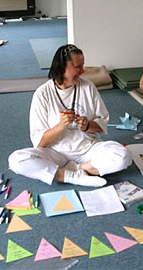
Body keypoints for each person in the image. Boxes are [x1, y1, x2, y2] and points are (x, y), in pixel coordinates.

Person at [8, 44, 132, 187]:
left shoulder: (88, 86)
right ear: (62, 68)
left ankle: (78, 170)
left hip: (88, 148)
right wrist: (61, 126)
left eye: (83, 66)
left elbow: (102, 124)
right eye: (78, 67)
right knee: (16, 160)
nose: (83, 71)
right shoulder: (42, 94)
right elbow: (40, 143)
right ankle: (68, 176)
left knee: (123, 156)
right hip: (55, 152)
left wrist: (87, 126)